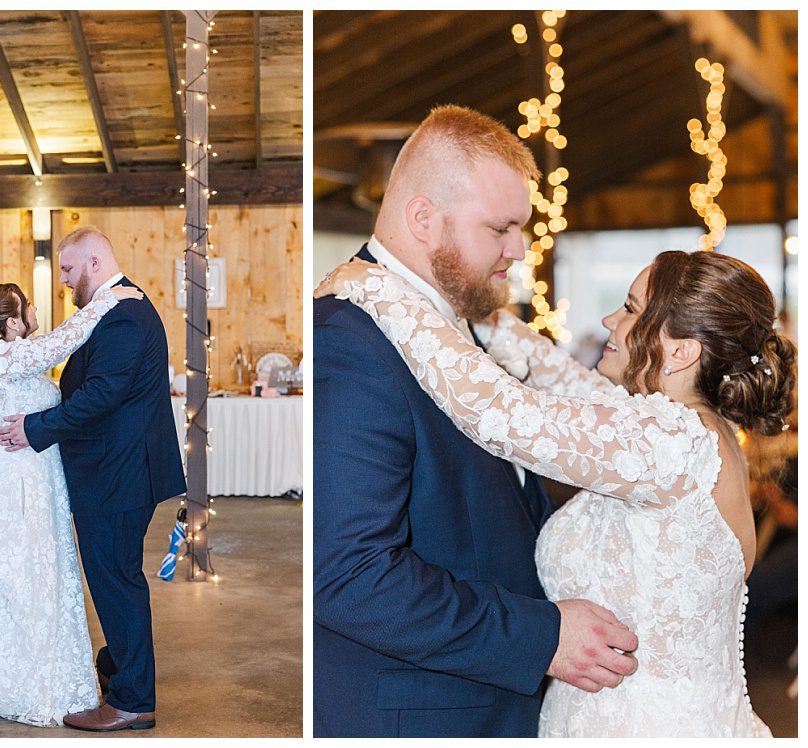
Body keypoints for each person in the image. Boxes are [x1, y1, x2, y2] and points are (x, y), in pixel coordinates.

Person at [317, 246, 796, 736]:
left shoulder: (670, 444)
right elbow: (561, 376)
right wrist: (477, 316)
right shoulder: (682, 430)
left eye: (630, 309)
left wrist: (379, 290)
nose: (611, 319)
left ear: (681, 350)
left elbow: (503, 414)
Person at [312, 105, 638, 739]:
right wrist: (541, 636)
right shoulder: (348, 344)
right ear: (423, 219)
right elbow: (350, 574)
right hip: (420, 714)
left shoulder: (457, 325)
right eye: (501, 228)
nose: (520, 250)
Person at [0, 227, 186, 732]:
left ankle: (133, 700)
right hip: (115, 469)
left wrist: (34, 429)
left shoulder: (123, 315)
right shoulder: (113, 309)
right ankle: (121, 667)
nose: (62, 280)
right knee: (114, 576)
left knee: (116, 581)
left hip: (117, 472)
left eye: (67, 269)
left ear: (95, 264)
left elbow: (101, 395)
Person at [0, 279, 142, 727]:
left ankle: (16, 675)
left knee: (34, 579)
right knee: (27, 580)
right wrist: (108, 298)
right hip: (20, 489)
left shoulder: (12, 360)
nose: (33, 311)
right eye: (27, 307)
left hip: (38, 482)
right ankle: (28, 684)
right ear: (12, 322)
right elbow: (63, 340)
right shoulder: (7, 356)